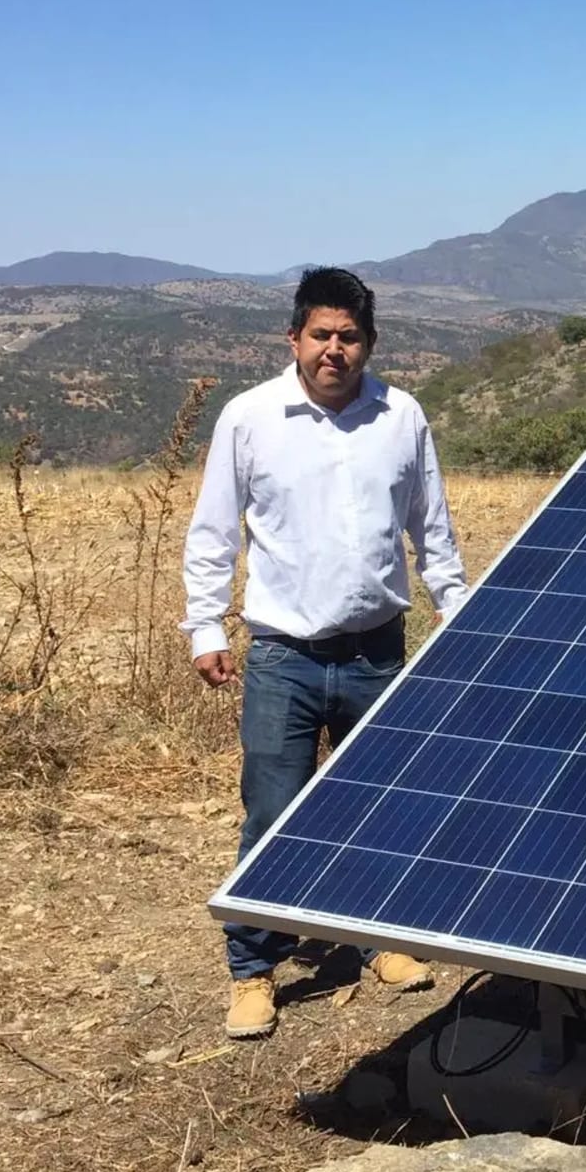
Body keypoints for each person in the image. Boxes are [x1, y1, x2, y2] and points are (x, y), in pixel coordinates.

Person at [182, 266, 469, 1038]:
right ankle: (253, 969)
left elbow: (431, 529)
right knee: (272, 812)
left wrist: (460, 612)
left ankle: (379, 940)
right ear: (294, 339)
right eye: (321, 335)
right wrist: (205, 627)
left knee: (375, 806)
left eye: (349, 337)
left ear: (368, 344)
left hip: (378, 650)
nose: (333, 350)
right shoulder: (249, 419)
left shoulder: (401, 416)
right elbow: (213, 533)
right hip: (283, 656)